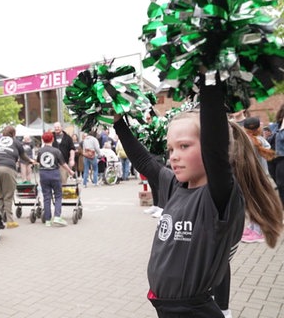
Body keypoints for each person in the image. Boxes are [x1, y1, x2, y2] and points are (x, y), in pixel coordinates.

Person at [113, 79, 282, 317]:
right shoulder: (175, 186)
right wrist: (118, 123)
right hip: (165, 308)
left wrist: (207, 76)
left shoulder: (218, 196)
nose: (174, 156)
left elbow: (215, 145)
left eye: (184, 146)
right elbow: (145, 162)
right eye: (171, 149)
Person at [0, 125, 35, 229]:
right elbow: (23, 156)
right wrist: (31, 161)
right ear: (13, 134)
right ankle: (10, 221)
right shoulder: (16, 142)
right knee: (8, 195)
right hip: (7, 168)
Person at [241, 117, 275, 243]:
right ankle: (253, 227)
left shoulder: (248, 141)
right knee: (254, 204)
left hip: (255, 178)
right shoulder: (261, 141)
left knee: (256, 204)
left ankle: (259, 231)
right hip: (259, 177)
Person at [37, 132, 74, 227]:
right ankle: (57, 216)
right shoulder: (56, 151)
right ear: (52, 139)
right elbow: (62, 163)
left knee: (46, 197)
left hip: (43, 174)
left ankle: (48, 220)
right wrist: (70, 170)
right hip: (54, 174)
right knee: (58, 195)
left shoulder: (40, 151)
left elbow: (38, 162)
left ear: (43, 140)